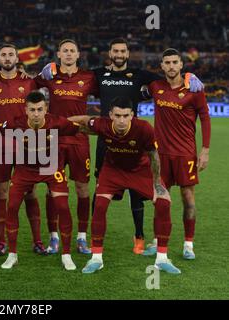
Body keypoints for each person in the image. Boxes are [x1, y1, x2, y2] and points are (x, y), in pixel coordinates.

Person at [40, 38, 204, 254]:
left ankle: (139, 237)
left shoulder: (139, 75)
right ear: (110, 53)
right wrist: (47, 71)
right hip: (104, 137)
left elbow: (169, 78)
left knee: (136, 193)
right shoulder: (98, 75)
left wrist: (189, 76)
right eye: (115, 50)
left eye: (122, 51)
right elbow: (62, 79)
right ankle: (90, 239)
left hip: (133, 137)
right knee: (100, 190)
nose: (119, 54)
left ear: (127, 53)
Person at [69, 96, 181, 274]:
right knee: (99, 205)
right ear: (111, 115)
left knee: (163, 202)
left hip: (140, 170)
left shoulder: (144, 128)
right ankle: (96, 258)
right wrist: (56, 123)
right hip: (112, 171)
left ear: (132, 115)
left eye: (126, 116)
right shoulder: (102, 125)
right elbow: (82, 120)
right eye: (118, 115)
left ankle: (162, 258)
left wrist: (158, 184)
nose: (121, 120)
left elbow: (154, 156)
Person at [0, 90, 83, 271]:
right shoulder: (16, 123)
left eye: (39, 109)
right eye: (32, 110)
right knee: (12, 207)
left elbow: (83, 127)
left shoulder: (58, 122)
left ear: (46, 109)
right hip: (25, 170)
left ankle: (66, 255)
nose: (36, 114)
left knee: (63, 207)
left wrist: (108, 130)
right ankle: (12, 255)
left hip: (51, 168)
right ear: (26, 110)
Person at [0, 43, 45, 256]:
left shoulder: (29, 82)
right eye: (3, 55)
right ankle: (1, 242)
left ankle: (37, 241)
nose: (7, 58)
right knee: (1, 192)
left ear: (16, 58)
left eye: (10, 54)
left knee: (30, 192)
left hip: (27, 143)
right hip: (0, 144)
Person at [143, 48, 211, 259]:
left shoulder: (193, 88)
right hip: (160, 155)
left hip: (185, 153)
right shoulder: (155, 87)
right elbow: (133, 85)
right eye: (167, 63)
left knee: (188, 197)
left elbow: (205, 118)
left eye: (175, 62)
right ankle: (157, 241)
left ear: (181, 65)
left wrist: (205, 150)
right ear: (161, 66)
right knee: (160, 198)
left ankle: (188, 244)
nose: (171, 66)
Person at [33, 39, 99, 255]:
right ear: (59, 55)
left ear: (78, 54)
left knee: (82, 188)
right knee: (53, 190)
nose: (69, 54)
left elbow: (109, 88)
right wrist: (39, 75)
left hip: (79, 140)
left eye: (72, 50)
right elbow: (22, 85)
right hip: (52, 140)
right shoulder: (50, 77)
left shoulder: (89, 77)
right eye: (65, 51)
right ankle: (54, 238)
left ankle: (81, 237)